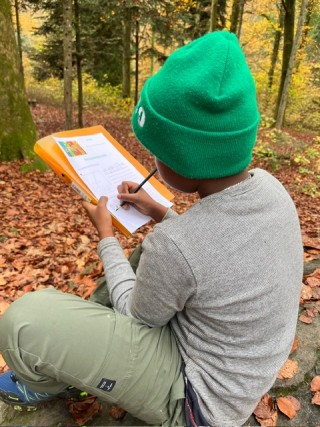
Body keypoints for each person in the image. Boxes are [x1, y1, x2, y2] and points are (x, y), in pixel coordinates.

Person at [0, 31, 303, 426]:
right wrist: (161, 212)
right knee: (145, 258)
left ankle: (49, 380)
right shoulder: (271, 189)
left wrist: (106, 237)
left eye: (157, 152)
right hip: (241, 373)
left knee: (25, 318)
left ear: (182, 159)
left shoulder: (177, 246)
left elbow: (135, 315)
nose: (153, 160)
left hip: (200, 403)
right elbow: (217, 254)